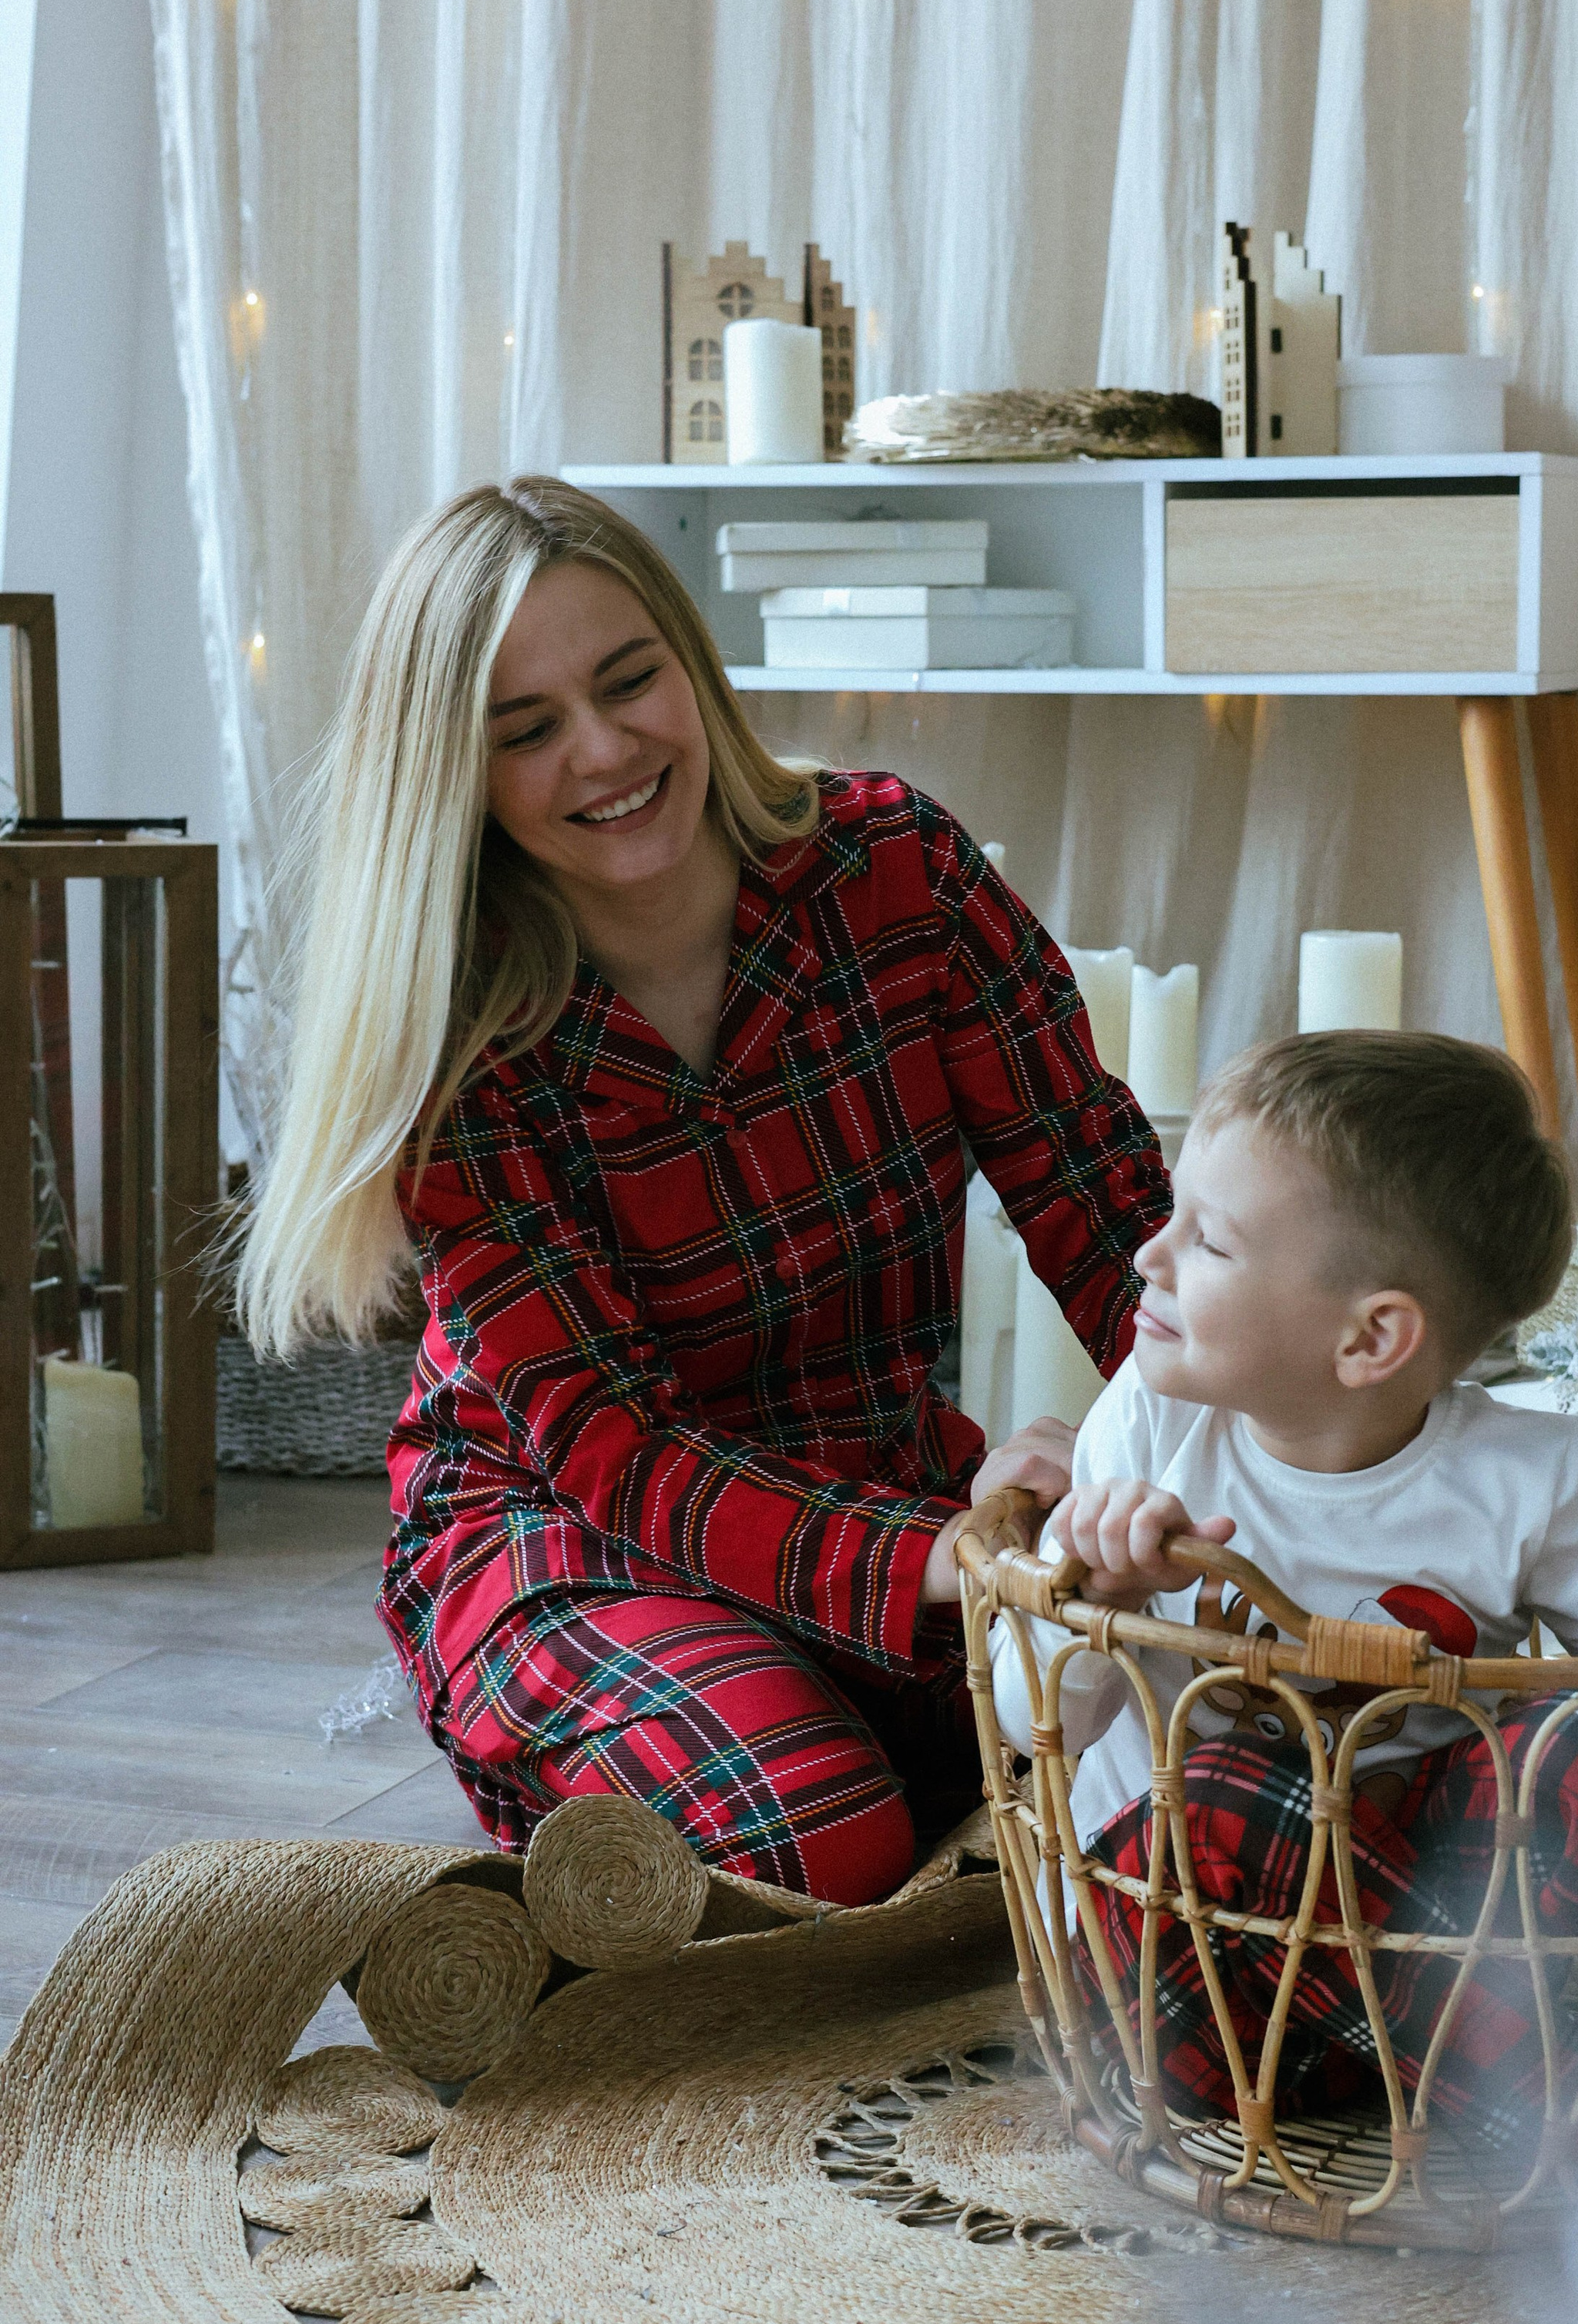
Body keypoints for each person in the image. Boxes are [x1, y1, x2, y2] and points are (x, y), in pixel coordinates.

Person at [236, 476, 1168, 1903]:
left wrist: (1232, 1446)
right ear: (454, 776)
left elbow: (1103, 1204)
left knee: (1147, 1762)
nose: (605, 751)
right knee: (830, 1839)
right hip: (570, 1531)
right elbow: (620, 1455)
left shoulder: (896, 874)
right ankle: (578, 1825)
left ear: (692, 663)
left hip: (875, 1487)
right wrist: (958, 1560)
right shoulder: (458, 1040)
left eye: (630, 681)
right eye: (526, 730)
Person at [989, 1031, 1578, 2160]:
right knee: (1227, 1789)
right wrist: (1100, 1591)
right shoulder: (1149, 1432)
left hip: (1437, 1938)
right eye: (1173, 1216)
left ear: (1372, 1337)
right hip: (1203, 1973)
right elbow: (1032, 1725)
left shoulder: (1539, 1477)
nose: (1148, 1257)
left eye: (1208, 1242)